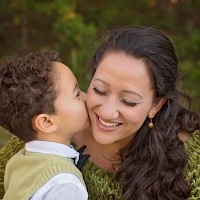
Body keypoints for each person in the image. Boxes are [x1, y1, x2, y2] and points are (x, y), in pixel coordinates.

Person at [0, 26, 200, 200]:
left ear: (155, 106)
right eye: (99, 90)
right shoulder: (44, 139)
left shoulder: (192, 162)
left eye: (128, 101)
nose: (107, 111)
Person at [0, 51, 90, 200]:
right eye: (77, 94)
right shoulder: (63, 184)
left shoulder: (18, 163)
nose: (87, 97)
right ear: (47, 122)